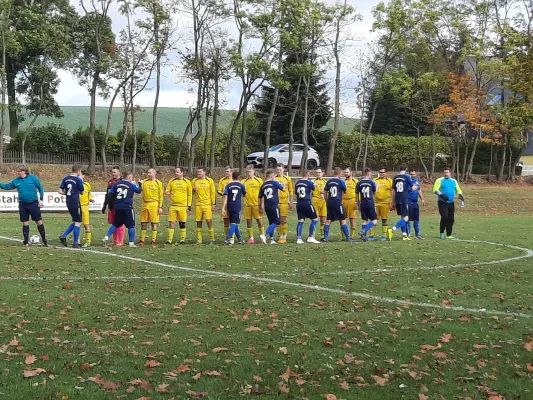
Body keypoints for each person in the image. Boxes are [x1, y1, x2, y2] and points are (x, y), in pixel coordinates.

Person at [0, 164, 48, 246]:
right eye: (17, 171)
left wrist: (41, 199)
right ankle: (26, 241)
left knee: (38, 221)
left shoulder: (33, 178)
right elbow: (6, 186)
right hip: (23, 204)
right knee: (25, 222)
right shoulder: (16, 181)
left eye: (19, 171)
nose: (17, 173)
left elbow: (40, 188)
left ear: (24, 171)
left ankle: (44, 240)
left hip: (33, 203)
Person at [103, 172, 141, 247]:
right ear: (129, 177)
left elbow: (111, 193)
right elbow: (139, 191)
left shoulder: (117, 184)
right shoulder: (131, 184)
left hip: (118, 207)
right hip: (127, 207)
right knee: (131, 225)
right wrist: (140, 184)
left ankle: (106, 236)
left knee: (116, 224)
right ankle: (131, 243)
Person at [322, 167, 354, 242]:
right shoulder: (341, 181)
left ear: (334, 173)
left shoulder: (329, 181)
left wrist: (326, 200)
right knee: (342, 220)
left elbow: (325, 192)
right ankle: (348, 238)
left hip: (330, 202)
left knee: (328, 220)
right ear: (340, 173)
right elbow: (345, 191)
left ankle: (325, 238)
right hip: (337, 202)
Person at [387, 165, 418, 241]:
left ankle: (404, 235)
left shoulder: (395, 177)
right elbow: (412, 187)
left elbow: (393, 190)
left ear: (399, 169)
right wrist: (415, 187)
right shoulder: (407, 177)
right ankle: (392, 229)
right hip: (404, 199)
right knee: (406, 217)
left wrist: (393, 202)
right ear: (406, 169)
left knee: (402, 217)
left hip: (397, 199)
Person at [433, 167, 464, 239]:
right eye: (444, 172)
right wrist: (442, 195)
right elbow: (435, 189)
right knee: (444, 217)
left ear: (450, 173)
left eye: (447, 172)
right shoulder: (439, 180)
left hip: (451, 202)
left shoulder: (454, 181)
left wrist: (460, 194)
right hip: (442, 202)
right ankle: (441, 232)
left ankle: (449, 234)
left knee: (451, 218)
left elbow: (458, 189)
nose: (445, 174)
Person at [58, 164, 85, 248]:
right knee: (78, 222)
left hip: (68, 201)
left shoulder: (65, 178)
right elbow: (82, 192)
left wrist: (67, 193)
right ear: (78, 171)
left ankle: (64, 235)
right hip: (75, 202)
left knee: (75, 220)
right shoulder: (78, 180)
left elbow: (60, 191)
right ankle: (75, 242)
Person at [165, 167, 192, 245]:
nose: (175, 173)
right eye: (175, 172)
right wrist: (167, 192)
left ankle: (182, 240)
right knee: (171, 223)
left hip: (183, 206)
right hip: (173, 206)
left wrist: (189, 205)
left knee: (182, 223)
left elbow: (189, 194)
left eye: (177, 172)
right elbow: (167, 190)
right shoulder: (171, 181)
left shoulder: (187, 182)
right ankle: (169, 240)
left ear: (182, 172)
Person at [138, 168, 164, 247]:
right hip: (145, 204)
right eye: (148, 173)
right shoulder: (144, 182)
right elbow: (139, 190)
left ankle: (153, 240)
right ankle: (142, 240)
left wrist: (160, 207)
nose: (148, 174)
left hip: (154, 204)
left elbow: (161, 196)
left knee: (154, 223)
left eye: (150, 173)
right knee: (143, 223)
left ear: (154, 173)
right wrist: (139, 184)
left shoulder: (158, 183)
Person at [294, 170, 320, 244]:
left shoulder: (297, 183)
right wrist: (314, 185)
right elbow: (313, 188)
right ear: (308, 175)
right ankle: (311, 237)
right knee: (315, 219)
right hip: (307, 202)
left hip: (299, 203)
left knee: (301, 220)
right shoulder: (309, 182)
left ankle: (299, 238)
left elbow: (296, 193)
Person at [259, 170, 285, 245]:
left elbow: (260, 197)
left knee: (271, 222)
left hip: (267, 205)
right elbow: (283, 189)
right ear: (272, 176)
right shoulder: (275, 182)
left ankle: (271, 239)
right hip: (274, 204)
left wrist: (261, 207)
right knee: (277, 222)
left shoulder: (263, 185)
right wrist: (283, 184)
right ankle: (264, 235)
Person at [192, 167, 216, 244]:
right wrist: (193, 190)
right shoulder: (194, 181)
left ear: (204, 172)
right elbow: (191, 193)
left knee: (209, 221)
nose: (198, 173)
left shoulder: (210, 181)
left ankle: (212, 239)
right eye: (197, 172)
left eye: (200, 172)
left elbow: (213, 193)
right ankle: (199, 240)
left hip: (207, 204)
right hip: (198, 205)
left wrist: (213, 204)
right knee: (198, 222)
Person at [222, 171, 246, 246]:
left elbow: (225, 197)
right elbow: (244, 194)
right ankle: (227, 239)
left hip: (229, 206)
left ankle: (240, 239)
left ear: (232, 177)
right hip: (237, 206)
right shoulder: (241, 185)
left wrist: (223, 208)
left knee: (234, 223)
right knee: (234, 223)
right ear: (239, 177)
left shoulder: (228, 185)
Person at [102, 166, 125, 246]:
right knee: (113, 223)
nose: (113, 174)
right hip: (112, 206)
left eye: (115, 172)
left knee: (120, 224)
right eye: (112, 172)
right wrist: (105, 205)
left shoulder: (123, 182)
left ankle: (120, 241)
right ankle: (115, 241)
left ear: (119, 172)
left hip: (120, 206)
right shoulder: (110, 182)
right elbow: (107, 195)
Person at [241, 165, 264, 243]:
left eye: (250, 171)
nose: (249, 173)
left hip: (256, 205)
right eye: (247, 172)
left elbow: (262, 193)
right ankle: (251, 238)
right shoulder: (243, 181)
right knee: (249, 221)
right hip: (247, 205)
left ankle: (262, 237)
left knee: (259, 221)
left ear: (254, 171)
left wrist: (262, 205)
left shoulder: (259, 180)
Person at [356, 168, 378, 241]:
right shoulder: (371, 182)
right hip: (370, 203)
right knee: (374, 220)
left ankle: (364, 237)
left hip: (363, 203)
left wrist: (358, 204)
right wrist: (377, 187)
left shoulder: (359, 183)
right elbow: (375, 193)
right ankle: (364, 231)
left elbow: (356, 195)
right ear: (368, 174)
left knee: (365, 220)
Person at [370, 168, 393, 241]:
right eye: (380, 172)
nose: (381, 173)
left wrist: (392, 202)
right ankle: (371, 235)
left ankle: (383, 235)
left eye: (382, 172)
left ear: (386, 173)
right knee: (374, 219)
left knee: (384, 219)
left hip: (386, 203)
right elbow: (371, 190)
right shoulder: (375, 180)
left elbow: (393, 192)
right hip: (376, 202)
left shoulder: (390, 181)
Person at [274, 164, 293, 243]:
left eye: (280, 169)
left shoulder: (287, 179)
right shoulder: (274, 179)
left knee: (283, 219)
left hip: (284, 202)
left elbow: (291, 191)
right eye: (277, 169)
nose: (278, 171)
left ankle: (284, 235)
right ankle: (280, 234)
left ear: (283, 170)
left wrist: (291, 202)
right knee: (277, 220)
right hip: (275, 202)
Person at [406, 169, 425, 239]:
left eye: (414, 174)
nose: (413, 175)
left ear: (416, 174)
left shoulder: (417, 181)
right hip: (408, 202)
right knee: (408, 219)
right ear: (409, 174)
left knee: (416, 219)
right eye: (411, 174)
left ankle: (418, 234)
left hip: (415, 203)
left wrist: (422, 199)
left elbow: (419, 189)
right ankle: (408, 234)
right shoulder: (407, 181)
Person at [79, 170, 95, 248]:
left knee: (86, 224)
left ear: (83, 176)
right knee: (77, 224)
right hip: (77, 207)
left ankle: (88, 241)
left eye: (80, 175)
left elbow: (89, 193)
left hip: (85, 207)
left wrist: (90, 199)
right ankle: (77, 241)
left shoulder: (87, 185)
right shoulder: (75, 184)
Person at [218, 166, 233, 241]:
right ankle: (227, 237)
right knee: (226, 220)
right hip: (225, 203)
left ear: (231, 172)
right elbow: (219, 191)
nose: (226, 173)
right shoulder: (222, 180)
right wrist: (225, 194)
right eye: (225, 171)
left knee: (233, 221)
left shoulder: (234, 180)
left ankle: (232, 238)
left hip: (233, 203)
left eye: (228, 171)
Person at [311, 167, 327, 238]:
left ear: (322, 173)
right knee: (315, 218)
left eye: (319, 172)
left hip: (323, 201)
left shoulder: (325, 182)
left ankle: (322, 235)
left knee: (323, 218)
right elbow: (309, 191)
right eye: (317, 172)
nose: (318, 174)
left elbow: (328, 191)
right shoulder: (312, 181)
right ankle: (312, 235)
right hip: (315, 200)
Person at [343, 167, 359, 238]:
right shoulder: (343, 181)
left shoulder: (356, 181)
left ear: (351, 173)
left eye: (347, 172)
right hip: (343, 202)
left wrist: (357, 203)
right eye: (345, 172)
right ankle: (344, 236)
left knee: (352, 219)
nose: (345, 174)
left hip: (352, 201)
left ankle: (351, 236)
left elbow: (359, 193)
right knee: (342, 219)